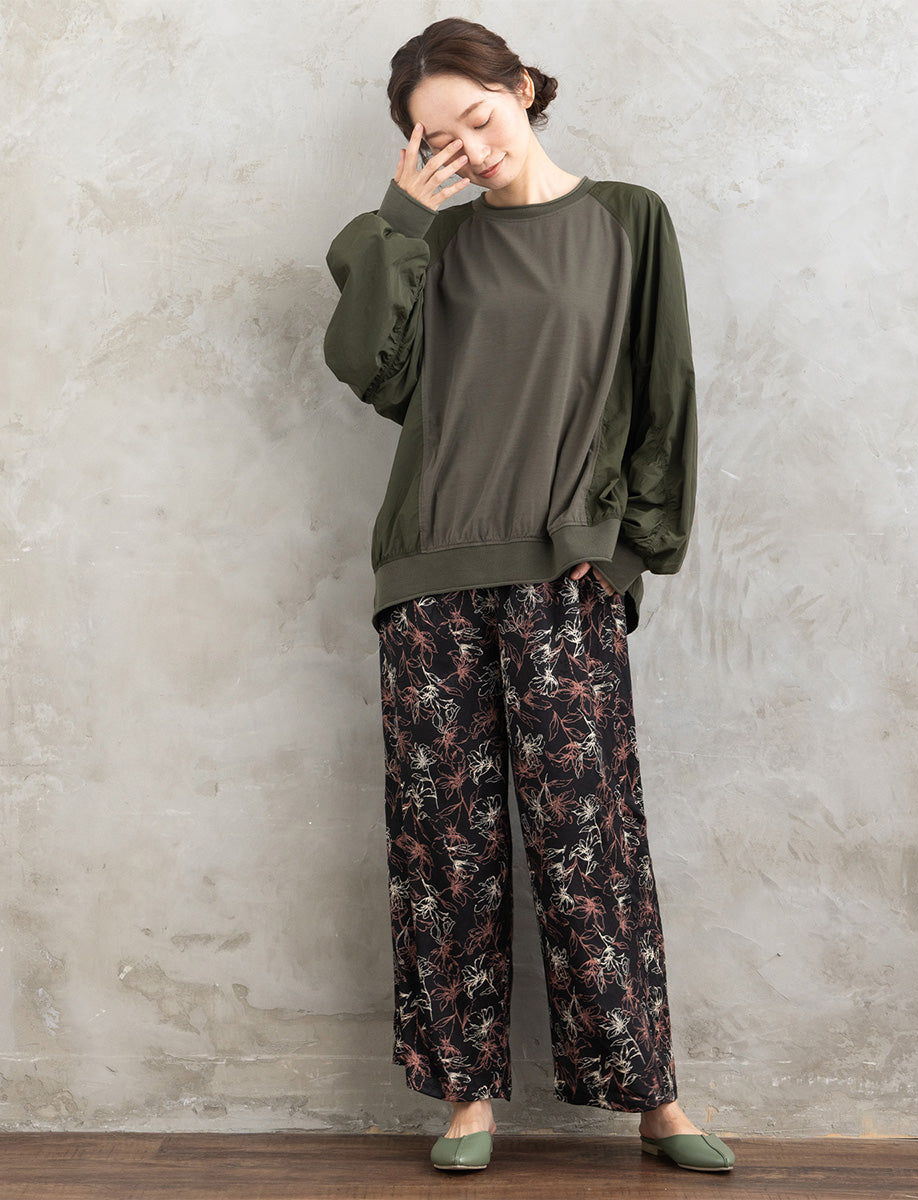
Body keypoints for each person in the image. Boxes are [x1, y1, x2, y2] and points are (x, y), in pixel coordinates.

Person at [322, 16, 735, 1175]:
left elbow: (664, 390)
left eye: (479, 116)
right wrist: (403, 216)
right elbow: (367, 366)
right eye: (437, 141)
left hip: (565, 577)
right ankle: (464, 1101)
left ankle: (652, 1097)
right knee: (444, 850)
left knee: (588, 842)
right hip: (429, 579)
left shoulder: (627, 220)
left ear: (523, 88)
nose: (471, 147)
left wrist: (629, 553)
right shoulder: (431, 244)